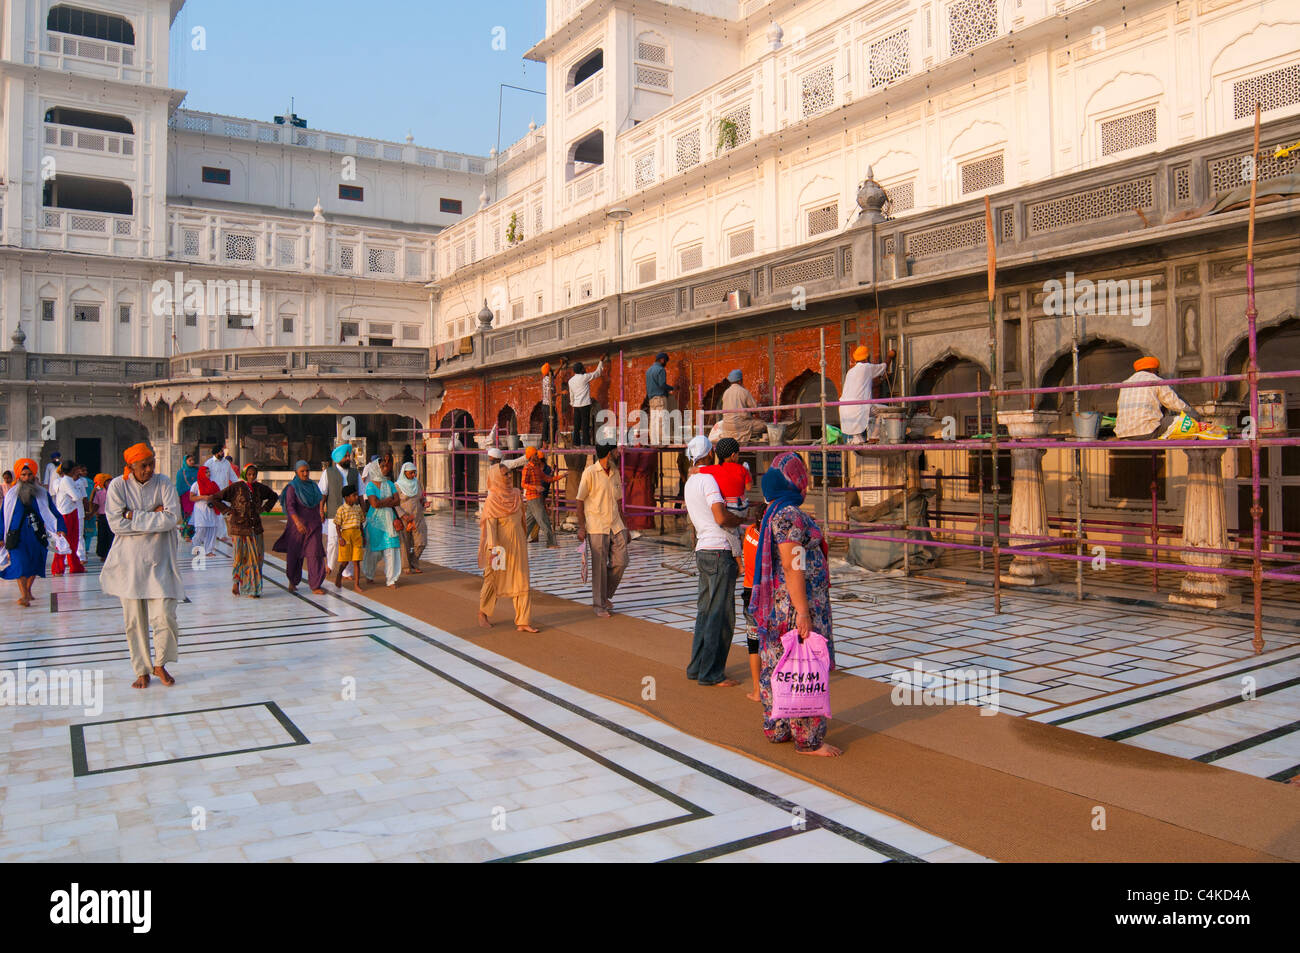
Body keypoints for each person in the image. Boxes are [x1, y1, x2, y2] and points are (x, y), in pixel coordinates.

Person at [749, 452, 841, 757]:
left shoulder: (774, 511)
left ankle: (778, 727)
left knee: (778, 665)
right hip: (794, 608)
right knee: (804, 668)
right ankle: (808, 739)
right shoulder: (789, 515)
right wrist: (803, 611)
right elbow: (792, 564)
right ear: (795, 480)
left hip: (778, 607)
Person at [99, 444, 185, 689]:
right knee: (134, 621)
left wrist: (132, 515)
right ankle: (142, 670)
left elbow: (173, 518)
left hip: (161, 560)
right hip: (130, 563)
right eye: (143, 465)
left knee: (166, 617)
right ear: (130, 467)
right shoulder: (118, 486)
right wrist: (152, 514)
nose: (149, 469)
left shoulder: (164, 482)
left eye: (151, 463)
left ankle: (160, 663)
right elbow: (116, 525)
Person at [684, 435, 744, 688]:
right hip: (719, 550)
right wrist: (742, 518)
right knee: (721, 616)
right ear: (710, 455)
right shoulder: (708, 480)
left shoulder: (690, 482)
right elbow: (720, 517)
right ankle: (712, 673)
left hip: (703, 550)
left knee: (705, 611)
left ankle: (697, 666)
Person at [477, 448, 539, 632]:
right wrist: (494, 549)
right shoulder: (493, 500)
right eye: (505, 475)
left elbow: (521, 519)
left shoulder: (516, 494)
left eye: (510, 474)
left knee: (522, 579)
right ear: (497, 477)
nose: (509, 477)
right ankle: (483, 612)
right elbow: (491, 527)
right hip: (499, 548)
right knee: (493, 579)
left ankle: (523, 621)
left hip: (518, 545)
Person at [1, 459, 64, 607]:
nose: (27, 478)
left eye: (29, 474)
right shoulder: (10, 496)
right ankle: (24, 595)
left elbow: (54, 512)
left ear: (34, 476)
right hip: (16, 536)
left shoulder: (42, 494)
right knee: (20, 564)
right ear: (18, 476)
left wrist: (60, 528)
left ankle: (27, 590)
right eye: (23, 475)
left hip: (37, 534)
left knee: (35, 563)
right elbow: (3, 516)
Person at [576, 442, 628, 618]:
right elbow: (580, 500)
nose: (618, 454)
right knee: (599, 566)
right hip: (596, 525)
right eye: (615, 451)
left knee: (622, 561)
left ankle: (604, 594)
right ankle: (599, 604)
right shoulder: (590, 473)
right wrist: (581, 527)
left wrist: (625, 525)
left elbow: (619, 501)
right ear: (609, 453)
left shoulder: (614, 472)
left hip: (615, 523)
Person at [216, 464, 278, 597]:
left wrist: (264, 508)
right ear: (245, 474)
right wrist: (228, 510)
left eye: (254, 474)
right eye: (249, 474)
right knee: (239, 558)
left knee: (256, 559)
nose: (251, 477)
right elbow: (216, 498)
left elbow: (274, 496)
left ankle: (253, 589)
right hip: (239, 528)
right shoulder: (236, 487)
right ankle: (236, 583)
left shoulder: (259, 488)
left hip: (255, 528)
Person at [273, 461, 327, 594]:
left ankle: (315, 585)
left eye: (307, 471)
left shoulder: (313, 486)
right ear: (296, 472)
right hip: (297, 528)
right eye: (302, 471)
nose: (305, 473)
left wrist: (321, 512)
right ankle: (293, 580)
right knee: (295, 555)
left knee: (315, 554)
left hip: (313, 525)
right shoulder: (293, 487)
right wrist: (297, 522)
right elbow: (290, 506)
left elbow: (319, 500)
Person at [1115, 356, 1199, 439]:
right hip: (1146, 431)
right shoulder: (1155, 379)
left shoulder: (1125, 383)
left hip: (1123, 434)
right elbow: (1174, 404)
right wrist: (1191, 412)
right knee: (1190, 420)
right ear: (1153, 370)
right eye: (1157, 371)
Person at [319, 443, 362, 578]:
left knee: (349, 541)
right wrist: (321, 510)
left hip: (352, 513)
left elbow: (360, 494)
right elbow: (323, 494)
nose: (348, 458)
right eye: (346, 456)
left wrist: (363, 512)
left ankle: (347, 571)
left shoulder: (355, 473)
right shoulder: (328, 472)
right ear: (338, 458)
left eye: (349, 455)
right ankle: (330, 565)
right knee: (333, 540)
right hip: (334, 512)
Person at [840, 345, 895, 443]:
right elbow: (884, 367)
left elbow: (870, 384)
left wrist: (882, 379)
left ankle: (857, 437)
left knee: (868, 412)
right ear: (866, 358)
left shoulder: (850, 372)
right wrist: (890, 356)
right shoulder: (866, 367)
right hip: (859, 408)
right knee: (885, 411)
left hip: (844, 410)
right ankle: (874, 436)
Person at [363, 465, 402, 588]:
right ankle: (369, 574)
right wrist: (388, 500)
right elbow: (374, 504)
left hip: (390, 520)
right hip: (375, 522)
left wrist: (382, 502)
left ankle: (391, 579)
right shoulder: (370, 485)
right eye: (382, 466)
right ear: (376, 469)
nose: (386, 468)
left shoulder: (390, 484)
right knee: (373, 552)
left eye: (386, 466)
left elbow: (397, 501)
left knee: (391, 549)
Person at [741, 517, 764, 702]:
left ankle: (757, 690)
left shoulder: (749, 531)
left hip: (749, 591)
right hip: (763, 592)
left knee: (753, 643)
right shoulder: (766, 540)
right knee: (771, 642)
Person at [522, 446, 563, 547]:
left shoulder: (536, 468)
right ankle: (551, 543)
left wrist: (560, 476)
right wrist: (535, 487)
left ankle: (519, 541)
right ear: (531, 456)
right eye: (535, 454)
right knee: (544, 521)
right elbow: (523, 484)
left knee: (529, 523)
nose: (537, 456)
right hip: (533, 497)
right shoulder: (527, 468)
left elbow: (547, 479)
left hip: (536, 497)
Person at [51, 459, 86, 575]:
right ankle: (57, 568)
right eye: (75, 469)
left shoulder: (67, 480)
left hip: (70, 511)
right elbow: (77, 496)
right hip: (66, 513)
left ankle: (74, 566)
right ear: (72, 470)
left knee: (72, 541)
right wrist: (77, 495)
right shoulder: (67, 480)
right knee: (63, 541)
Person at [713, 369, 768, 444]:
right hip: (740, 426)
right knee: (763, 425)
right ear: (740, 381)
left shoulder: (726, 393)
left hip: (726, 427)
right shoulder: (744, 391)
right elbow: (755, 409)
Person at [395, 461, 427, 574]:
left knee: (421, 542)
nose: (413, 475)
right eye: (411, 473)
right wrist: (403, 515)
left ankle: (413, 561)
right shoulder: (397, 486)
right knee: (405, 544)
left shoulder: (417, 483)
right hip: (404, 518)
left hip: (418, 517)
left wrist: (424, 502)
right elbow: (395, 503)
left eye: (415, 473)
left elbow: (421, 497)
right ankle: (406, 566)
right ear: (404, 473)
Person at [331, 486, 365, 592]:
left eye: (356, 495)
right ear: (346, 497)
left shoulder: (358, 508)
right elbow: (337, 525)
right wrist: (340, 538)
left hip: (357, 535)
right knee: (345, 561)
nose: (356, 497)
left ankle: (356, 584)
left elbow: (360, 524)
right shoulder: (341, 509)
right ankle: (339, 575)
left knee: (356, 560)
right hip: (346, 535)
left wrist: (363, 536)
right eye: (353, 495)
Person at [568, 357, 604, 447]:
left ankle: (576, 444)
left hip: (576, 405)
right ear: (581, 370)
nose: (585, 369)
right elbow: (597, 373)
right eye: (583, 368)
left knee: (576, 426)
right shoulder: (584, 377)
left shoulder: (570, 381)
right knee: (585, 425)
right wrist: (601, 361)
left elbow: (571, 394)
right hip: (585, 405)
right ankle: (586, 443)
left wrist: (572, 403)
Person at [188, 466, 223, 557]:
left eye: (209, 472)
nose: (208, 474)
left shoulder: (213, 484)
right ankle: (196, 548)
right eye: (206, 472)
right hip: (201, 511)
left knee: (212, 530)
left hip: (211, 510)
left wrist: (213, 498)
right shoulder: (196, 484)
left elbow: (219, 495)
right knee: (200, 530)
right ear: (201, 473)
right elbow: (191, 498)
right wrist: (203, 497)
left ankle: (209, 551)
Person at [646, 351, 676, 445]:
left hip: (651, 399)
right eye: (665, 361)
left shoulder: (649, 370)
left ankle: (654, 439)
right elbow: (662, 384)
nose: (665, 364)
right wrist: (672, 388)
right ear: (662, 360)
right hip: (660, 398)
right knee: (662, 419)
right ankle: (662, 440)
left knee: (653, 420)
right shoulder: (660, 370)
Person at [175, 452, 199, 540]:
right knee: (188, 514)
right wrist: (191, 488)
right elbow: (180, 485)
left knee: (196, 513)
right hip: (186, 496)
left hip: (197, 495)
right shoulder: (181, 472)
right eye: (190, 460)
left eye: (193, 460)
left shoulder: (197, 470)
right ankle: (186, 534)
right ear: (185, 461)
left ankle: (195, 534)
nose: (192, 462)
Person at [91, 473, 115, 561]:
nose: (109, 484)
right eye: (107, 482)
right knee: (102, 536)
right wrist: (92, 513)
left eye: (110, 481)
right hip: (102, 516)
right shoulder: (99, 493)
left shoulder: (115, 493)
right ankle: (102, 554)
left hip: (112, 516)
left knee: (111, 535)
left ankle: (112, 553)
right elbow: (95, 505)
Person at [540, 363, 557, 444]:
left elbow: (554, 376)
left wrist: (560, 366)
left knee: (546, 424)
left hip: (545, 405)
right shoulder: (549, 380)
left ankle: (544, 442)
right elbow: (551, 395)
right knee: (552, 424)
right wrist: (561, 393)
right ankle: (550, 443)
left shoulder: (546, 378)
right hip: (549, 406)